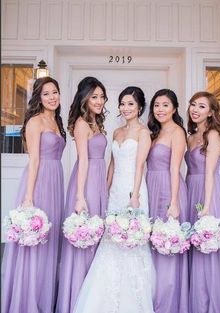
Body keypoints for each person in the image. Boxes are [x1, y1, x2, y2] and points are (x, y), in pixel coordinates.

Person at [73, 86, 155, 313]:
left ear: (139, 107)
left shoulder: (144, 133)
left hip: (133, 191)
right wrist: (106, 190)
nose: (125, 108)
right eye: (122, 103)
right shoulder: (116, 132)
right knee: (111, 241)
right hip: (116, 191)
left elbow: (140, 165)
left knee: (132, 241)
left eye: (130, 104)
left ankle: (134, 299)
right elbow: (112, 164)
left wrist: (136, 195)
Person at [1, 77, 66, 313]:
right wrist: (28, 197)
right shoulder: (35, 122)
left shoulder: (57, 121)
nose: (52, 97)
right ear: (38, 97)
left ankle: (44, 296)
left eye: (55, 92)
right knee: (35, 240)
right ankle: (27, 300)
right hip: (39, 183)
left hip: (56, 180)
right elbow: (35, 160)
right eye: (46, 93)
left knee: (49, 242)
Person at [55, 76, 109, 313]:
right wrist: (79, 195)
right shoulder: (81, 123)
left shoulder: (97, 122)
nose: (99, 101)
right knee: (84, 236)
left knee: (97, 237)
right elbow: (84, 161)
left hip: (98, 182)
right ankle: (77, 298)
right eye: (94, 96)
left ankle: (93, 298)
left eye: (101, 96)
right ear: (84, 98)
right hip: (86, 183)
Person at [185, 91, 220, 313]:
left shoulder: (213, 135)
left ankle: (208, 304)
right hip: (191, 190)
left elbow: (209, 173)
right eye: (193, 105)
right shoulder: (191, 136)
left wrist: (206, 206)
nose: (195, 109)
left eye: (202, 106)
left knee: (206, 247)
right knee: (193, 246)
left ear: (212, 112)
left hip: (208, 192)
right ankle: (195, 300)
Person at [147, 89, 189, 313]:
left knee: (166, 244)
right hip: (151, 188)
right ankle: (152, 298)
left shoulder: (177, 132)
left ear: (174, 108)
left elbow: (175, 168)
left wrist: (174, 201)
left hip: (167, 189)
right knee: (152, 244)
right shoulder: (154, 132)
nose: (160, 109)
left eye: (165, 105)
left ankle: (167, 304)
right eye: (156, 105)